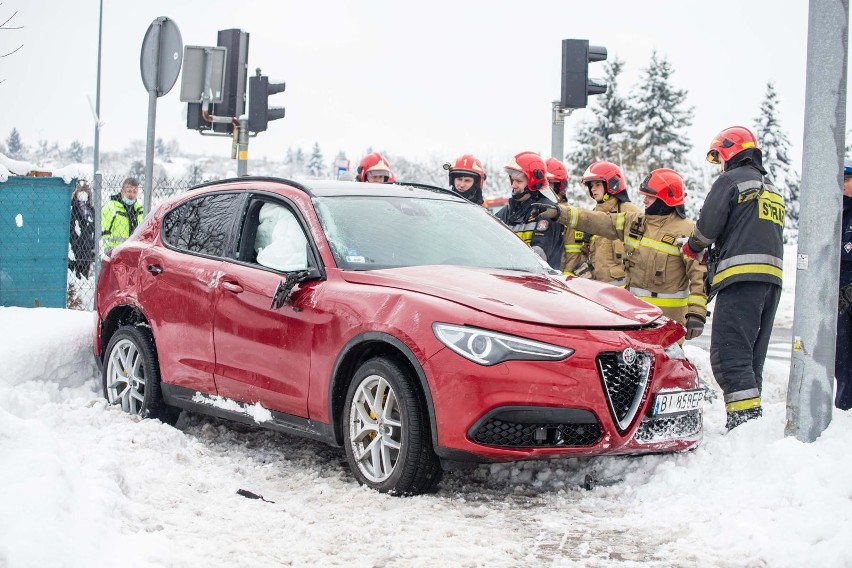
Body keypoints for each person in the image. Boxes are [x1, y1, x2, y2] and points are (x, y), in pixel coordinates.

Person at [682, 126, 785, 430]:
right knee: (751, 359)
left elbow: (707, 228)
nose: (720, 166)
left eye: (720, 158)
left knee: (729, 355)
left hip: (740, 281)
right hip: (771, 284)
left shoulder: (730, 181)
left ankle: (743, 425)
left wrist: (692, 247)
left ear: (729, 152)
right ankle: (754, 427)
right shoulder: (771, 190)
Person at [532, 168, 707, 335]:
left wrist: (697, 312)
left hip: (670, 321)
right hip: (636, 317)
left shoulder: (687, 231)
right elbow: (598, 221)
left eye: (650, 197)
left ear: (665, 199)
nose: (644, 201)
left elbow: (699, 274)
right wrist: (560, 213)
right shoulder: (635, 222)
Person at [562, 161, 640, 285]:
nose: (593, 189)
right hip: (598, 292)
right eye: (591, 185)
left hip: (625, 295)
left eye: (597, 184)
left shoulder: (629, 212)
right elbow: (586, 252)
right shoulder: (592, 216)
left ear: (612, 184)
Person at [495, 151, 563, 270]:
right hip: (510, 280)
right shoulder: (505, 212)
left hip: (537, 284)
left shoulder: (547, 212)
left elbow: (538, 256)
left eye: (519, 181)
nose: (514, 185)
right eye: (512, 180)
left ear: (534, 183)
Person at [836, 159, 852, 410]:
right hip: (840, 301)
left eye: (846, 180)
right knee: (841, 359)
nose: (840, 186)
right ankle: (845, 410)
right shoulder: (838, 214)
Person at [102, 176, 144, 252]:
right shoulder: (111, 206)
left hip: (133, 251)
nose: (131, 194)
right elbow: (104, 230)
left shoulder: (140, 210)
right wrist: (109, 249)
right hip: (115, 250)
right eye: (129, 191)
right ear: (122, 191)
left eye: (135, 192)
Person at [69, 181, 96, 279]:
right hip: (74, 251)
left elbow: (95, 230)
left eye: (85, 192)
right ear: (75, 193)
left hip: (87, 253)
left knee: (85, 278)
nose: (83, 195)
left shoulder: (91, 211)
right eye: (80, 192)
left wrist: (93, 247)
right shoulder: (72, 209)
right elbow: (71, 229)